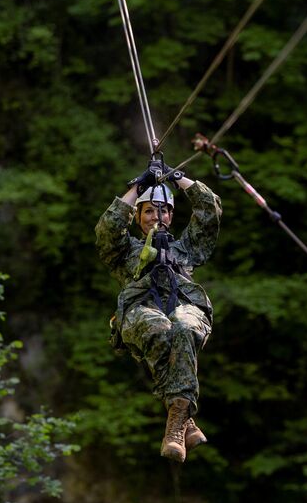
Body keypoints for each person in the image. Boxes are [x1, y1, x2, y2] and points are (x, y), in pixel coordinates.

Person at [95, 163, 222, 462]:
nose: (158, 217)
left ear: (171, 215)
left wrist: (179, 179)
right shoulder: (125, 251)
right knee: (160, 329)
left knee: (184, 328)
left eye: (164, 211)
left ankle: (177, 423)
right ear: (138, 216)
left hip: (183, 303)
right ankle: (182, 421)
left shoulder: (185, 249)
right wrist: (136, 189)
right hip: (140, 307)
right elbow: (108, 229)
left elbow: (209, 212)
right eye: (150, 211)